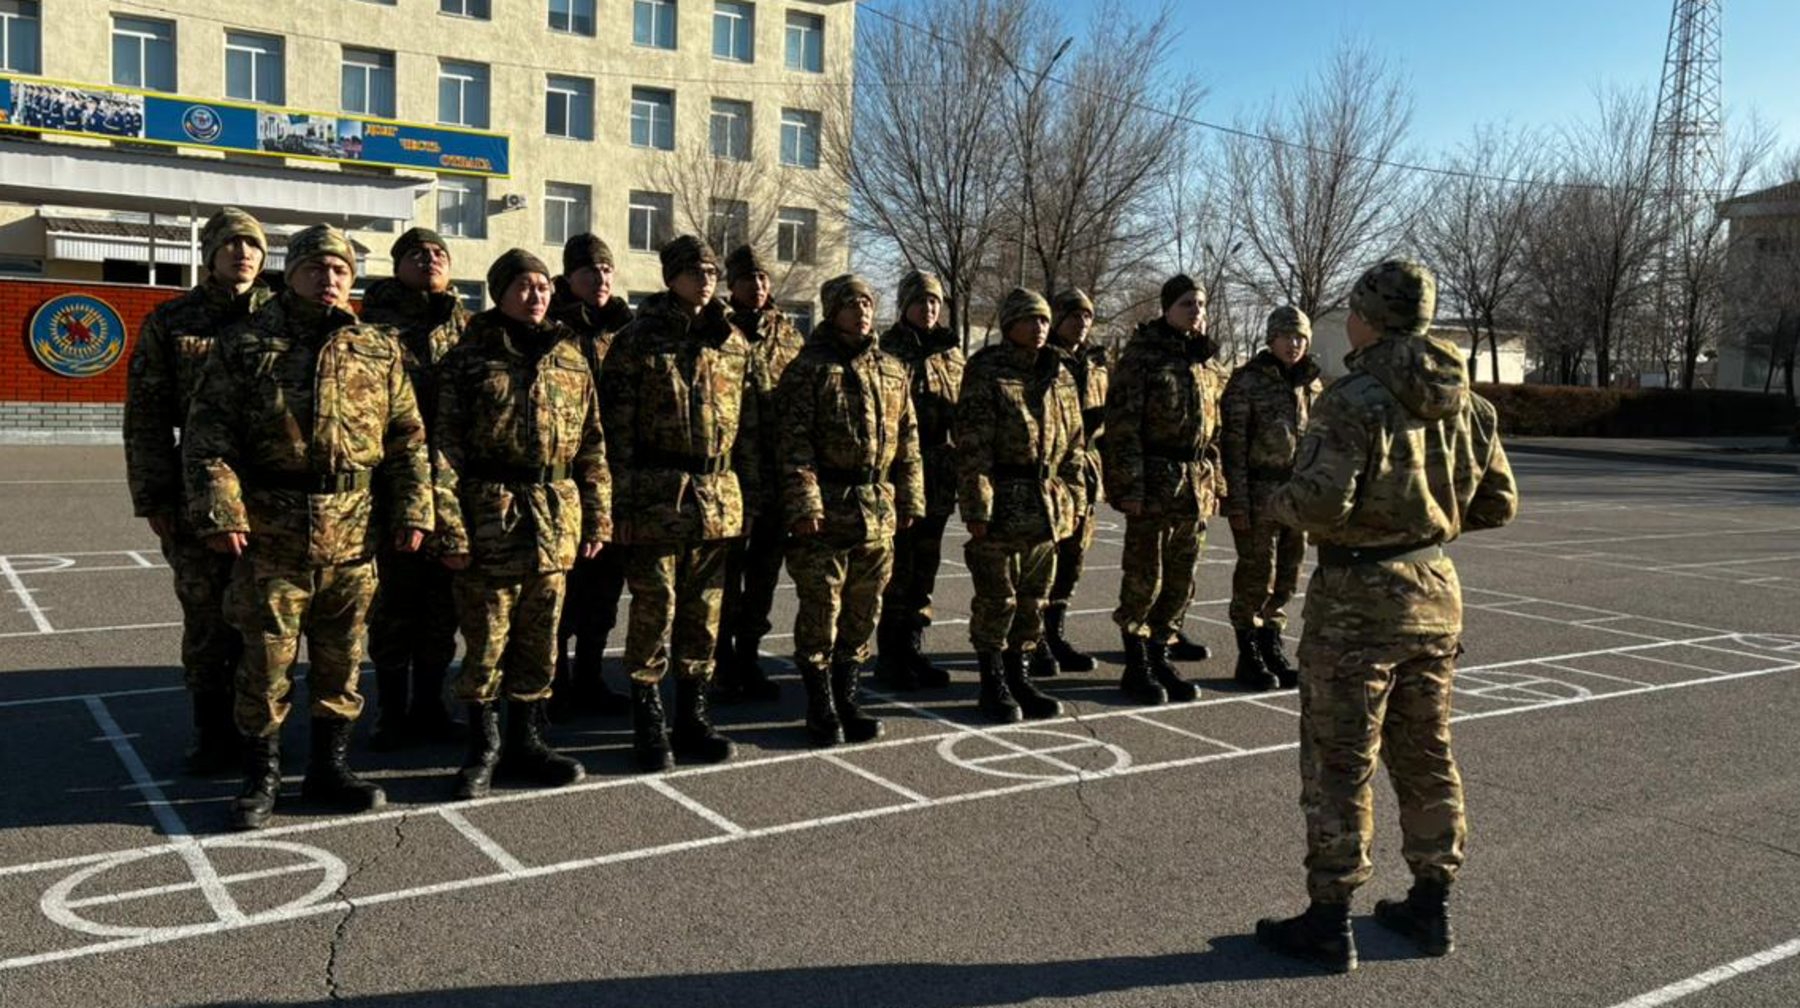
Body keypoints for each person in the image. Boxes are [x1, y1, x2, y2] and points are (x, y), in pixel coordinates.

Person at [1253, 260, 1518, 973]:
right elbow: (1497, 504)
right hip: (1433, 594)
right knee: (1426, 754)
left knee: (1339, 762)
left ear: (1371, 316)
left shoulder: (1353, 398)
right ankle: (1431, 907)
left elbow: (1319, 505)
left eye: (1355, 311)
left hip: (1357, 606)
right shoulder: (1467, 400)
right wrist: (1425, 519)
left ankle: (1329, 918)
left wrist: (1272, 501)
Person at [183, 224, 432, 831]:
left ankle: (329, 768)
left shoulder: (376, 348)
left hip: (354, 534)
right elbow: (207, 438)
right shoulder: (246, 345)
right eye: (316, 269)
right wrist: (222, 510)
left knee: (341, 659)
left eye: (341, 271)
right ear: (290, 275)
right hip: (273, 533)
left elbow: (407, 440)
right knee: (265, 662)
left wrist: (413, 509)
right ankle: (259, 777)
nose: (330, 280)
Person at [432, 249, 609, 799]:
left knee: (541, 640)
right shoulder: (467, 360)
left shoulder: (571, 358)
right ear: (500, 293)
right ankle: (482, 749)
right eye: (523, 287)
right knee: (486, 642)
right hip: (491, 517)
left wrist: (598, 516)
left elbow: (593, 447)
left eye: (541, 286)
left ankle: (528, 741)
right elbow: (442, 450)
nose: (535, 296)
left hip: (555, 517)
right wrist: (451, 528)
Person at [123, 207, 273, 774]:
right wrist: (154, 496)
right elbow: (146, 416)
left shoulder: (282, 316)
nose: (243, 254)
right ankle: (213, 734)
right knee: (208, 618)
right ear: (209, 253)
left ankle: (260, 733)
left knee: (266, 619)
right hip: (194, 493)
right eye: (231, 244)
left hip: (271, 495)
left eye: (253, 246)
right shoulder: (173, 321)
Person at [600, 235, 756, 771]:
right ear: (670, 277)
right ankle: (648, 724)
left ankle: (693, 717)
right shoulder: (637, 340)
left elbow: (749, 433)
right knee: (653, 611)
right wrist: (617, 506)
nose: (706, 278)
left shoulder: (733, 343)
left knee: (705, 615)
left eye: (711, 269)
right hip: (654, 498)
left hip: (716, 500)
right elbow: (613, 433)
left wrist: (749, 501)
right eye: (694, 270)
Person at [777, 274, 923, 745]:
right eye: (851, 304)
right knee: (822, 607)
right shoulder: (808, 368)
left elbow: (909, 442)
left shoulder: (892, 369)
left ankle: (848, 696)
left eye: (867, 303)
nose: (861, 311)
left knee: (864, 607)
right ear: (832, 310)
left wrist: (910, 497)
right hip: (828, 508)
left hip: (877, 507)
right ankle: (820, 705)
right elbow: (793, 443)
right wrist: (804, 502)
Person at [359, 226, 469, 750]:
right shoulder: (370, 328)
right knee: (394, 605)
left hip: (451, 487)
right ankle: (390, 710)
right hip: (389, 485)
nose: (430, 260)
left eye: (439, 253)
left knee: (442, 604)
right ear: (398, 264)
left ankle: (432, 704)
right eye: (418, 254)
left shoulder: (466, 327)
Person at [956, 289, 1086, 723]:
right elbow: (973, 448)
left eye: (1045, 320)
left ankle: (1020, 675)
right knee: (997, 600)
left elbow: (1074, 447)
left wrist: (1074, 498)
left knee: (1034, 600)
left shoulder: (1060, 373)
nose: (1039, 327)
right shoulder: (987, 371)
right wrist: (977, 509)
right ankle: (992, 683)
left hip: (1047, 505)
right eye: (1030, 319)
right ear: (1010, 324)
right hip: (1003, 504)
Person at [1102, 274, 1224, 706]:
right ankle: (1136, 664)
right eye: (1187, 304)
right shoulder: (1143, 358)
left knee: (1180, 578)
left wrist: (1217, 483)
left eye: (1201, 304)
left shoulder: (1205, 362)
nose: (1196, 311)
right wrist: (1130, 487)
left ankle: (1159, 653)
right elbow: (1122, 429)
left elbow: (1215, 434)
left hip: (1194, 486)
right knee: (1144, 578)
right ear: (1167, 308)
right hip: (1154, 482)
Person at [714, 244, 808, 704]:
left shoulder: (789, 337)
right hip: (729, 476)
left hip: (776, 475)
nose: (758, 286)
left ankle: (748, 656)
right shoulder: (715, 331)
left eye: (763, 279)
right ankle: (720, 662)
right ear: (731, 286)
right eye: (748, 279)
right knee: (725, 576)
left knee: (765, 574)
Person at [548, 233, 635, 720]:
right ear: (569, 278)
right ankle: (554, 682)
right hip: (565, 481)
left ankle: (590, 678)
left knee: (603, 592)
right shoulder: (551, 328)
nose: (600, 279)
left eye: (606, 270)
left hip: (617, 479)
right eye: (589, 271)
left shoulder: (629, 331)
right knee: (562, 589)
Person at [1221, 306, 1322, 691]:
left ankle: (1271, 645)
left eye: (1300, 337)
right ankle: (1249, 654)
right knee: (1254, 574)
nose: (1293, 343)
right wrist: (1238, 503)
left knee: (1288, 574)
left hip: (1296, 497)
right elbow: (1233, 447)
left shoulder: (1312, 385)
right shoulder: (1247, 382)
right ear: (1271, 339)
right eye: (1286, 336)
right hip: (1260, 493)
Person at [875, 270, 962, 691]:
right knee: (897, 568)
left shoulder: (951, 355)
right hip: (899, 474)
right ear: (904, 305)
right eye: (920, 301)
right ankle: (889, 656)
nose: (928, 309)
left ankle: (913, 648)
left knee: (925, 569)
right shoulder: (887, 352)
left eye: (934, 302)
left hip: (941, 477)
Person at [1033, 288, 1108, 678]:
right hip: (1053, 472)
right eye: (1073, 315)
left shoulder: (1096, 363)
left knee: (1074, 559)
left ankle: (1055, 631)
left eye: (1087, 316)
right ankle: (1036, 638)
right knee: (1046, 556)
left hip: (1086, 471)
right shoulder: (1043, 360)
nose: (1081, 323)